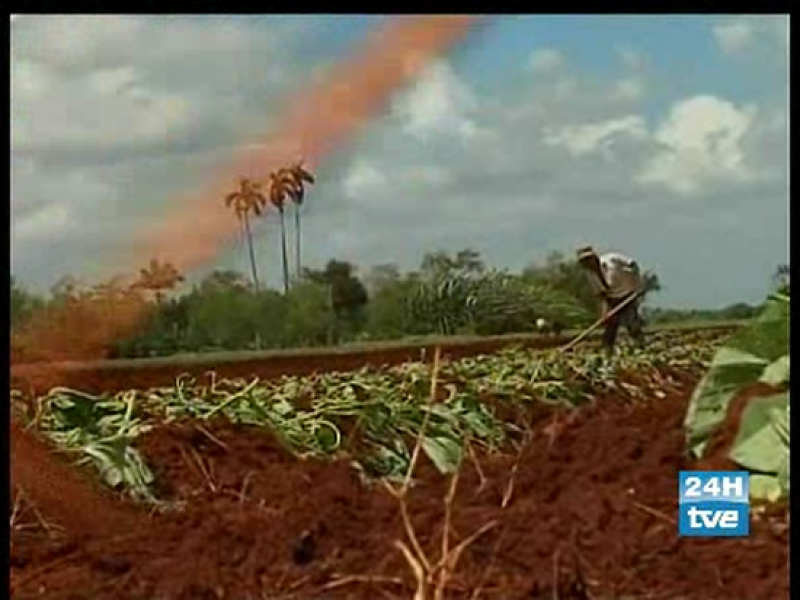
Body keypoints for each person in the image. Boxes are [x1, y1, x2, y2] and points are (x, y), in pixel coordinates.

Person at [576, 246, 646, 356]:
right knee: (610, 327)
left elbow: (633, 265)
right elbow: (601, 294)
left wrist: (638, 285)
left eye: (589, 259)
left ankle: (641, 347)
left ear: (594, 257)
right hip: (612, 299)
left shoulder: (612, 259)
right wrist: (604, 312)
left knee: (632, 323)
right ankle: (607, 351)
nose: (588, 263)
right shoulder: (590, 274)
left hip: (628, 295)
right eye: (584, 261)